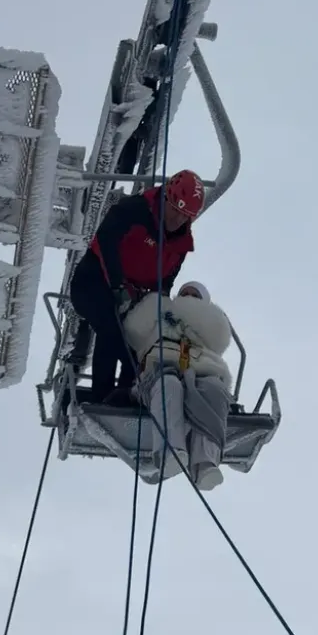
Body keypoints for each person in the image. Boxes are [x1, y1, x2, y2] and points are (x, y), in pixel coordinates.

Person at [68, 169, 205, 404]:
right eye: (175, 209)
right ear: (165, 198)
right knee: (111, 329)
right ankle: (102, 397)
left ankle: (128, 393)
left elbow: (165, 283)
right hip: (92, 283)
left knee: (139, 346)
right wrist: (117, 285)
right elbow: (106, 242)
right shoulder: (133, 211)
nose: (177, 220)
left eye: (185, 216)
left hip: (132, 297)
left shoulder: (180, 246)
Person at [122, 280, 234, 490]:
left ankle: (205, 463)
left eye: (194, 295)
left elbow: (218, 340)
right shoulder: (161, 311)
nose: (189, 297)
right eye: (185, 293)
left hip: (200, 371)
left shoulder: (208, 326)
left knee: (213, 391)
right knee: (169, 384)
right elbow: (133, 331)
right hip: (158, 371)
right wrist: (155, 305)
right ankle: (170, 451)